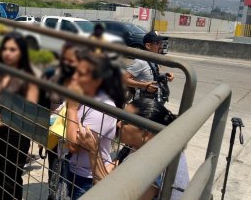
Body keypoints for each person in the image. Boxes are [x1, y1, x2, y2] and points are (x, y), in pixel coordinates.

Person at [77, 98, 189, 199]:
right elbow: (112, 172)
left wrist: (93, 151)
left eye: (126, 122)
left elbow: (111, 196)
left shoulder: (156, 162)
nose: (119, 124)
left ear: (146, 133)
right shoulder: (142, 144)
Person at [0, 32, 39, 200]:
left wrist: (3, 121)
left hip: (15, 133)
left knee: (9, 179)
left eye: (13, 49)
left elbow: (30, 111)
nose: (7, 53)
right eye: (5, 48)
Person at [65, 50, 126, 200]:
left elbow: (74, 146)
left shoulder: (103, 107)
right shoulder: (84, 96)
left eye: (81, 74)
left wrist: (71, 108)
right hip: (74, 170)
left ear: (97, 80)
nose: (74, 77)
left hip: (87, 178)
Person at [38, 42, 79, 200]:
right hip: (54, 131)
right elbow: (45, 103)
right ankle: (53, 194)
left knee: (68, 172)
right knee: (55, 168)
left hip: (72, 133)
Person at [124, 30, 174, 103]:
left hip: (154, 102)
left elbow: (153, 73)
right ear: (148, 46)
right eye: (158, 43)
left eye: (161, 43)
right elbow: (123, 79)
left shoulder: (154, 59)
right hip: (143, 104)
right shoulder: (140, 62)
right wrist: (144, 85)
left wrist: (166, 75)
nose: (161, 46)